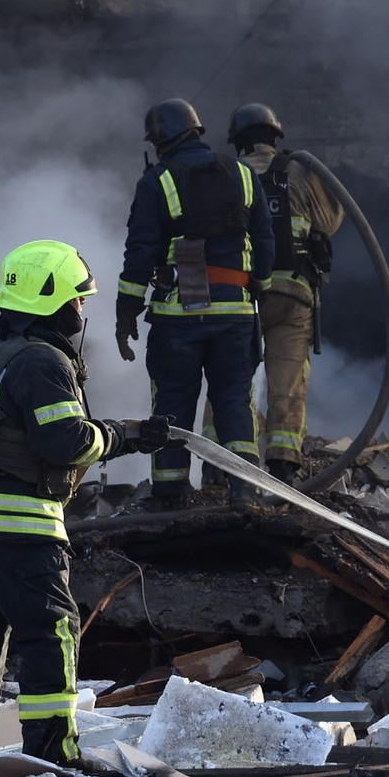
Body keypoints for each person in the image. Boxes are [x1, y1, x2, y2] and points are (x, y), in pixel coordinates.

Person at [0, 240, 170, 766]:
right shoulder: (43, 362)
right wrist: (121, 436)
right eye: (80, 301)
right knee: (52, 632)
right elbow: (65, 443)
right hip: (16, 521)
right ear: (58, 303)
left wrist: (126, 432)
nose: (82, 311)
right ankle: (52, 753)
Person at [115, 98, 273, 507]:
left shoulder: (157, 182)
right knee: (234, 403)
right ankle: (244, 490)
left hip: (178, 319)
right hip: (236, 316)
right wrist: (258, 286)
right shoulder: (242, 173)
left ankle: (169, 492)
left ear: (161, 139)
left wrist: (125, 312)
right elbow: (265, 242)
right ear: (197, 130)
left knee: (171, 403)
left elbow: (141, 251)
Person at [225, 102, 344, 483]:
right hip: (293, 293)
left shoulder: (227, 174)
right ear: (275, 138)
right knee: (288, 382)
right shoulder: (299, 170)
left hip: (240, 294)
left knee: (231, 379)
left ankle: (222, 466)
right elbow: (330, 221)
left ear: (237, 142)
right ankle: (283, 466)